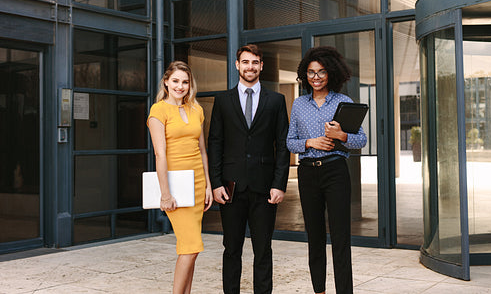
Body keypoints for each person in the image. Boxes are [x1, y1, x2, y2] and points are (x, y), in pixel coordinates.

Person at [208, 44, 290, 294]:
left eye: (255, 62)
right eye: (245, 62)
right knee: (231, 248)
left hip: (265, 188)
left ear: (261, 66)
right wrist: (216, 183)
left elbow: (283, 145)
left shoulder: (276, 100)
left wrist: (279, 184)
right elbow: (215, 143)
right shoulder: (222, 100)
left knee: (263, 249)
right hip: (231, 187)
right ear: (237, 65)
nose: (250, 67)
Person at [286, 46, 367, 294]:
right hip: (308, 173)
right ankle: (319, 291)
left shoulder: (344, 102)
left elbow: (360, 140)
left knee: (341, 238)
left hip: (335, 171)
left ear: (330, 73)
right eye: (311, 73)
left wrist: (341, 135)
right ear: (304, 75)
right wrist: (310, 142)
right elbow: (290, 141)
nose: (316, 77)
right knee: (315, 237)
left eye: (321, 72)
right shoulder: (299, 104)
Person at [147, 61, 213, 294]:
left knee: (190, 249)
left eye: (185, 82)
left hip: (196, 184)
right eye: (175, 81)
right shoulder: (158, 110)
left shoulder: (197, 110)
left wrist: (207, 185)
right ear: (166, 82)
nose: (180, 86)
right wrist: (165, 194)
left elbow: (203, 150)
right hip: (175, 186)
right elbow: (159, 154)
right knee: (190, 247)